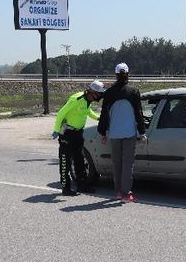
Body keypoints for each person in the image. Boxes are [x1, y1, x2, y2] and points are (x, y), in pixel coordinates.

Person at [97, 63, 145, 202]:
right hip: (129, 133)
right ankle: (127, 192)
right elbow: (138, 113)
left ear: (116, 75)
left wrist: (103, 132)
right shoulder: (134, 92)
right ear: (128, 74)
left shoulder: (109, 93)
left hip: (114, 134)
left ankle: (118, 191)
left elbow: (104, 115)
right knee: (127, 163)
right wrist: (142, 131)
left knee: (117, 163)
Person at [52, 80, 105, 196]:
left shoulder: (88, 101)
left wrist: (98, 118)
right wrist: (56, 130)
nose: (100, 97)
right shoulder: (76, 99)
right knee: (65, 160)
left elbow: (87, 112)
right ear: (92, 92)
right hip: (67, 133)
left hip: (78, 133)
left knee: (79, 160)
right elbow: (61, 113)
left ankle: (82, 186)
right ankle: (65, 188)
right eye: (99, 94)